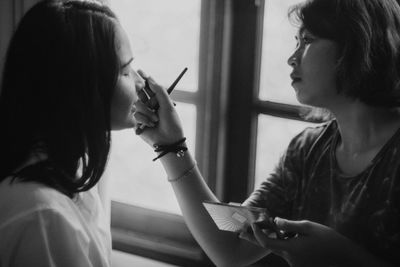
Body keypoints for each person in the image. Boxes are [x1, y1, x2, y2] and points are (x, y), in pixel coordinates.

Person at [134, 0, 400, 266]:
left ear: (357, 45)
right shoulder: (307, 150)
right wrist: (170, 146)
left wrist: (343, 257)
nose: (292, 57)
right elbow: (230, 247)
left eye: (307, 40)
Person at [0, 0, 158, 266]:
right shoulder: (44, 217)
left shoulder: (74, 169)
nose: (142, 84)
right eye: (125, 71)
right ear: (81, 86)